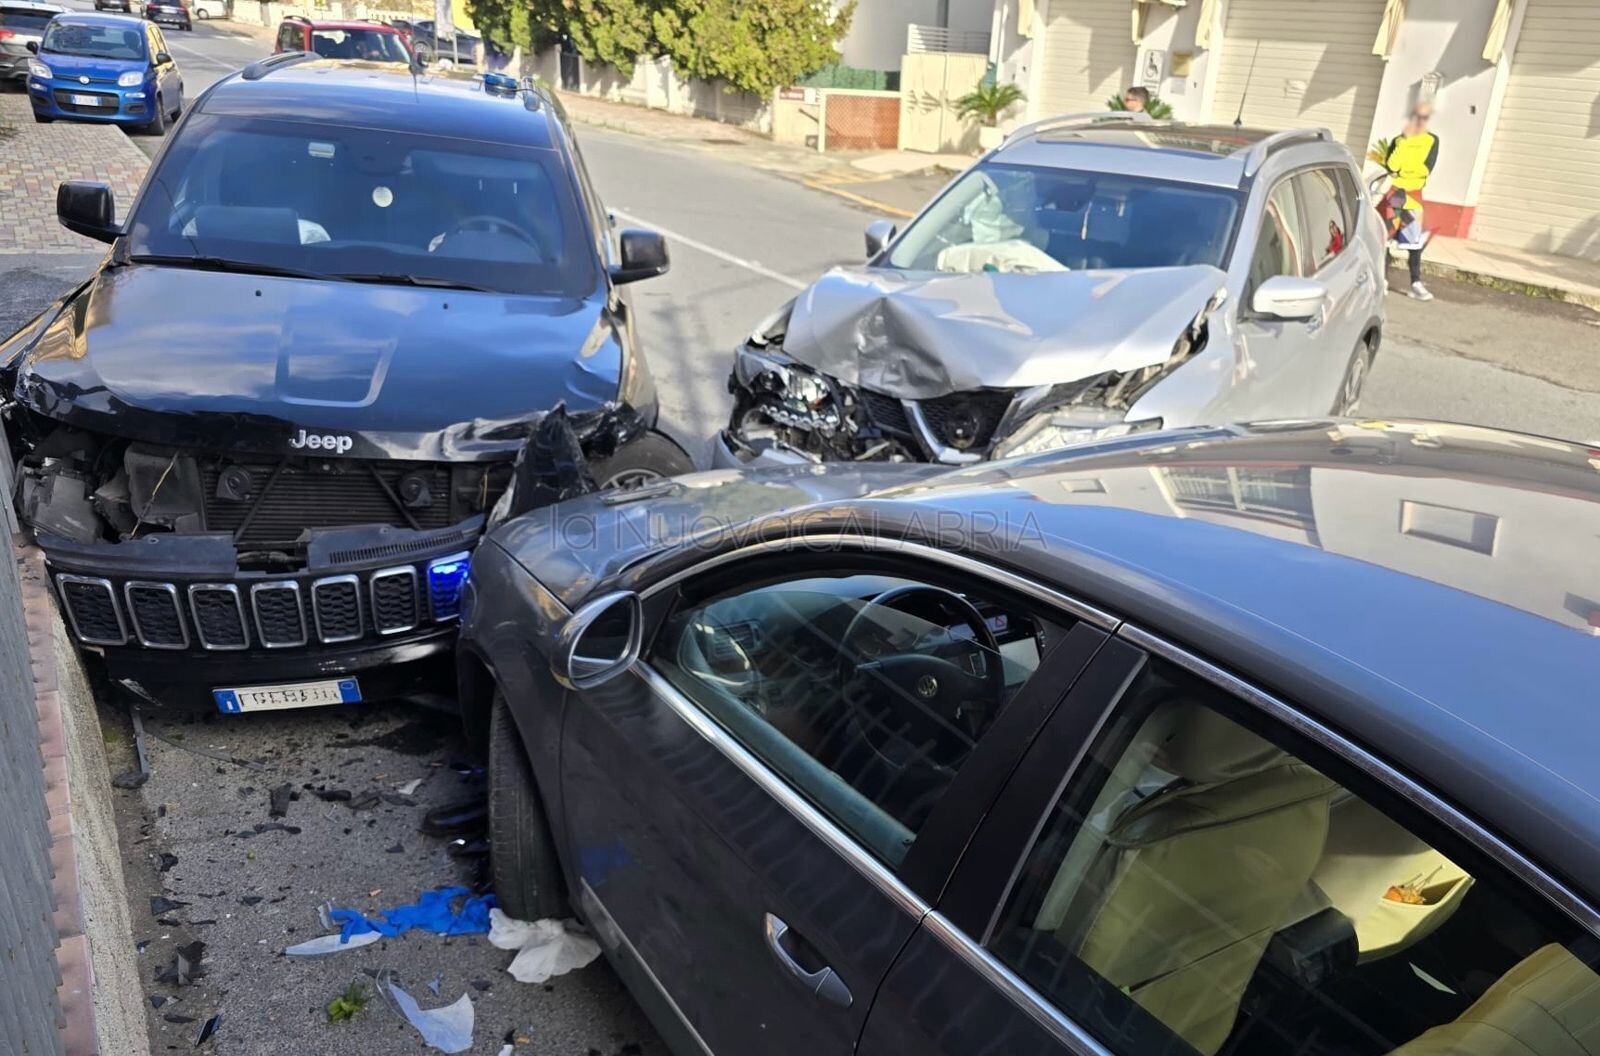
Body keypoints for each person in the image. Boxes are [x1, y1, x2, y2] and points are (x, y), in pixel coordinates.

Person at [1382, 104, 1440, 301]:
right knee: (1386, 239)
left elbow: (1426, 169)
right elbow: (1391, 166)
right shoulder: (1398, 140)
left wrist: (1404, 170)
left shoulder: (1432, 140)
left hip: (1413, 197)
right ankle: (1382, 279)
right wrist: (1405, 144)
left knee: (1413, 242)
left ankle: (1416, 283)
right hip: (1395, 195)